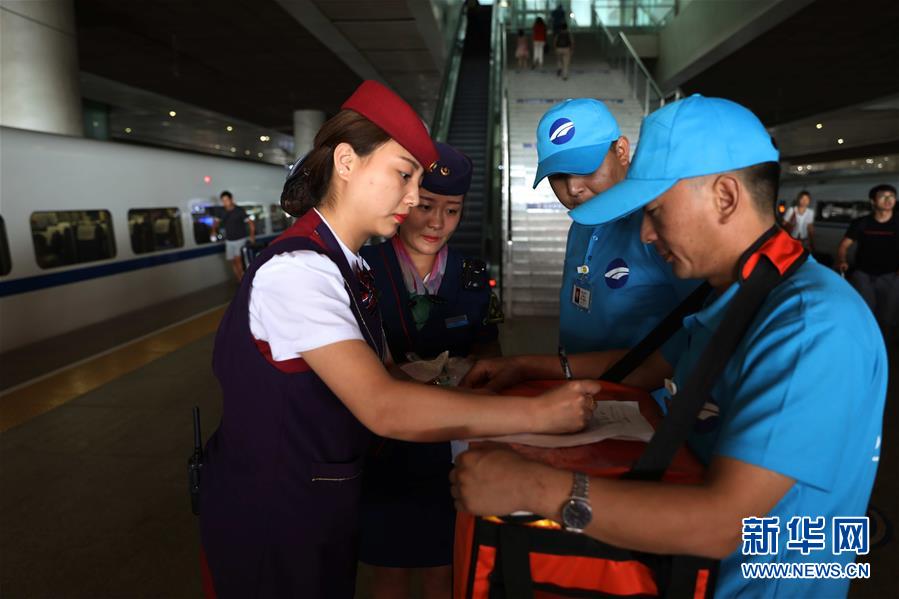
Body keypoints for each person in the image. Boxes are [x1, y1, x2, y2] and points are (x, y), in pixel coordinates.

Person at [455, 95, 887, 598]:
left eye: (656, 210)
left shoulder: (811, 326)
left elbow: (724, 523)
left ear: (725, 197)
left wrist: (534, 488)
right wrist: (530, 371)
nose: (644, 232)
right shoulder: (730, 297)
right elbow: (647, 367)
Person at [198, 80, 600, 599]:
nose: (413, 198)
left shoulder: (348, 265)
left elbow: (388, 375)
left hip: (315, 506)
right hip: (273, 517)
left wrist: (477, 402)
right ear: (346, 162)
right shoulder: (297, 271)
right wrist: (538, 415)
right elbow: (383, 405)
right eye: (403, 175)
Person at [358, 142, 498, 599]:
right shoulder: (363, 270)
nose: (437, 223)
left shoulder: (474, 274)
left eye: (452, 210)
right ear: (405, 202)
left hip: (450, 448)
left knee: (446, 565)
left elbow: (490, 353)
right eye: (427, 206)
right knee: (389, 570)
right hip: (382, 445)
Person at [538, 99, 698, 360]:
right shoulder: (580, 225)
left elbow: (701, 334)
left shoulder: (660, 225)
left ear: (622, 151)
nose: (572, 188)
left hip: (647, 397)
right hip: (580, 391)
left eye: (585, 167)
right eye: (557, 175)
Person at [836, 183, 899, 338]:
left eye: (891, 196)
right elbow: (843, 246)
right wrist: (842, 260)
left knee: (887, 318)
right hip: (863, 275)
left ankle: (885, 348)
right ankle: (865, 343)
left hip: (891, 276)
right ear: (872, 201)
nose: (888, 199)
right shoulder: (861, 223)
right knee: (866, 313)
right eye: (883, 196)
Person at [211, 191, 255, 282]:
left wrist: (252, 236)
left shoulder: (239, 211)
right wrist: (213, 231)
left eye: (226, 200)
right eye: (223, 201)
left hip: (240, 239)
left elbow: (251, 224)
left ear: (231, 199)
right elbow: (216, 222)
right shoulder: (221, 211)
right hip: (229, 241)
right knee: (233, 262)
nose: (225, 202)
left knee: (238, 261)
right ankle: (240, 281)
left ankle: (244, 281)